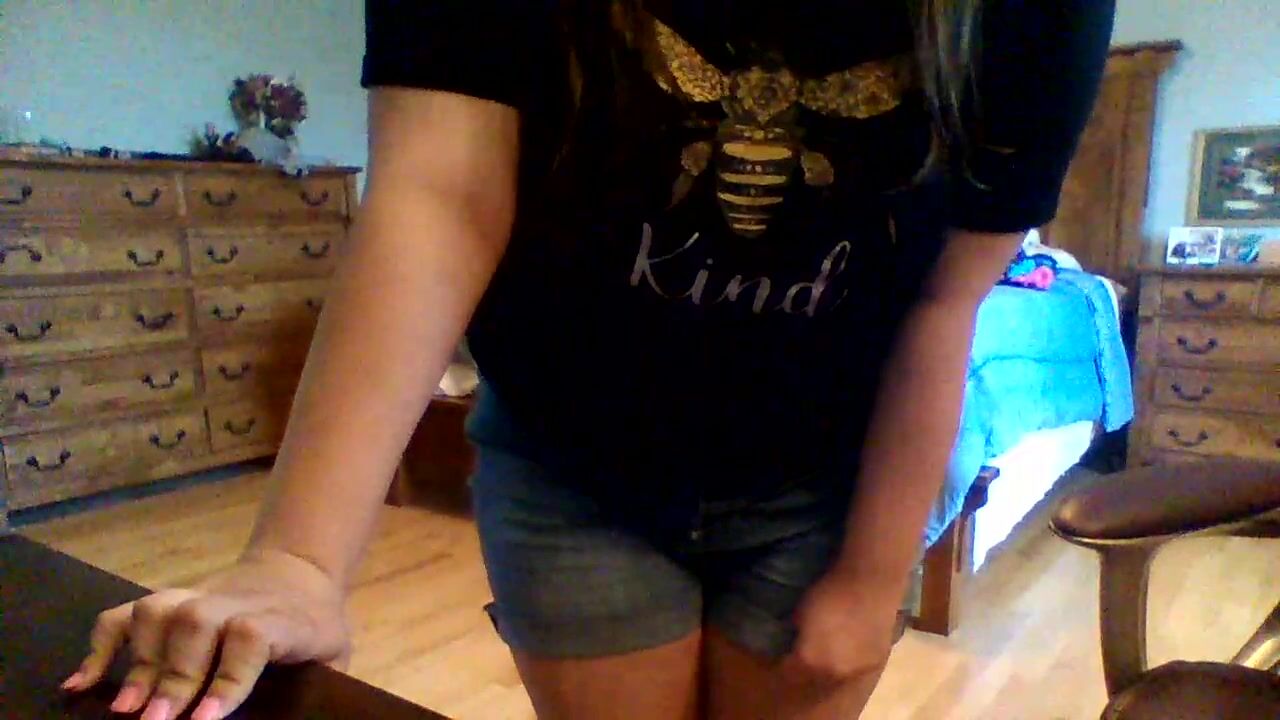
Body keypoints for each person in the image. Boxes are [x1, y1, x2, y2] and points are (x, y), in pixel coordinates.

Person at [62, 1, 1115, 718]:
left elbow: (945, 300)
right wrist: (294, 563)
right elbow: (440, 195)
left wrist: (871, 577)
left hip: (832, 483)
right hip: (572, 464)